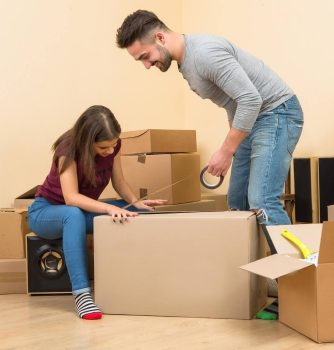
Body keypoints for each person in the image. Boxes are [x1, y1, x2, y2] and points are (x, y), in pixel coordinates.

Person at [115, 10, 303, 228]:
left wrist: (227, 150)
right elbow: (231, 102)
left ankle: (296, 263)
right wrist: (232, 147)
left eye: (145, 57)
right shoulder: (185, 65)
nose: (146, 66)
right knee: (237, 202)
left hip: (277, 113)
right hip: (253, 120)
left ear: (160, 38)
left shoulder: (204, 54)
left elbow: (251, 100)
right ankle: (256, 261)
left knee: (263, 202)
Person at [28, 105, 167, 320]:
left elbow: (119, 182)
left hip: (78, 212)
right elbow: (71, 198)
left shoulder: (114, 145)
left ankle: (146, 280)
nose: (110, 151)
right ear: (87, 141)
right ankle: (82, 295)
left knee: (133, 212)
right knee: (73, 214)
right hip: (45, 212)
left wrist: (135, 203)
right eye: (104, 147)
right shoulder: (67, 151)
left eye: (113, 146)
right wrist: (109, 207)